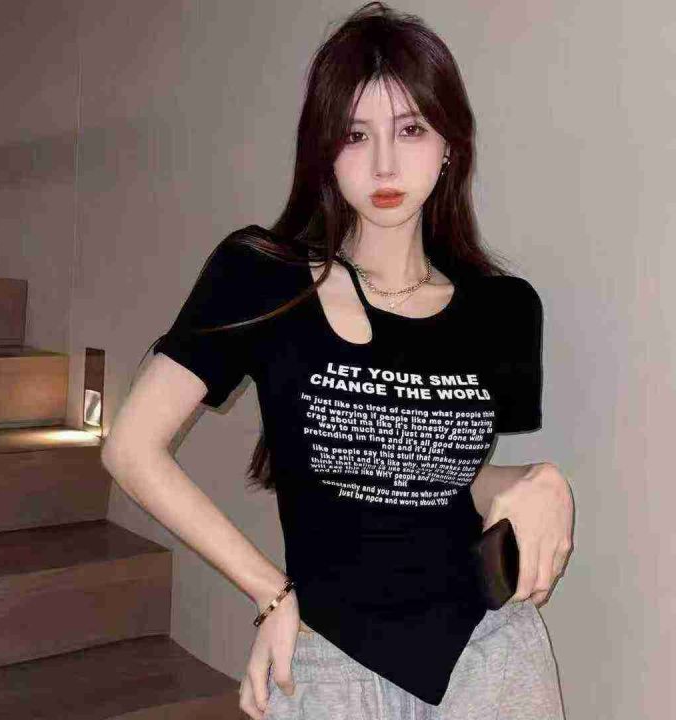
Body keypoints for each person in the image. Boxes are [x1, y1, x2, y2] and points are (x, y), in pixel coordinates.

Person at [102, 3, 574, 719]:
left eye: (410, 129)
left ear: (450, 145)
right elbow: (131, 449)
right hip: (327, 658)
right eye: (355, 135)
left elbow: (440, 478)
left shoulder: (503, 310)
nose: (384, 163)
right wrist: (270, 593)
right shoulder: (261, 276)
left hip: (488, 650)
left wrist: (541, 482)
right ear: (324, 149)